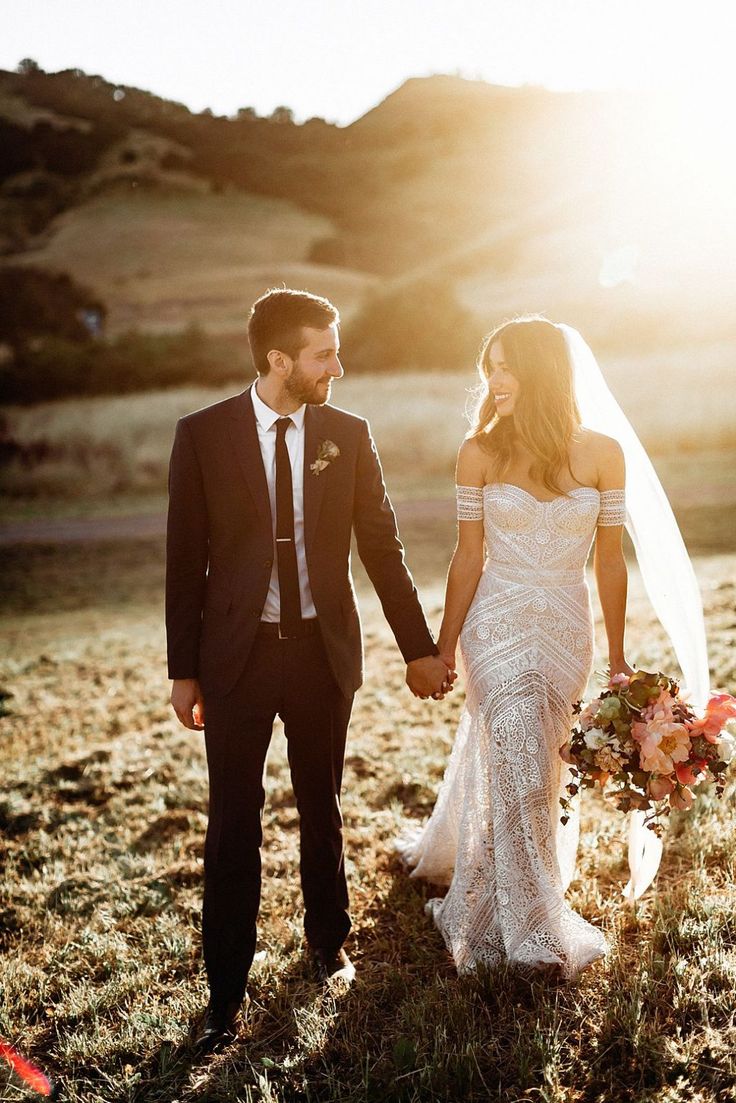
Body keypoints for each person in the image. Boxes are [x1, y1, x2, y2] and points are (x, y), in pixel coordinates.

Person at [166, 288, 453, 1052]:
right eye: (324, 354)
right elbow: (183, 558)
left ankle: (328, 947)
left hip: (323, 652)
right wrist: (183, 670)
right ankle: (224, 991)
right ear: (278, 360)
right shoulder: (201, 436)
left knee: (321, 805)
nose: (340, 366)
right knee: (233, 823)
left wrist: (418, 647)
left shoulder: (348, 434)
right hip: (236, 656)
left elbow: (382, 547)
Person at [398, 315, 633, 978]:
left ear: (544, 371)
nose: (495, 381)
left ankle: (515, 888)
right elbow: (468, 555)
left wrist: (617, 657)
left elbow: (610, 562)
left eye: (507, 366)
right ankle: (528, 929)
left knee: (541, 766)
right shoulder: (478, 453)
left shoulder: (602, 452)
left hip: (564, 622)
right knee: (516, 755)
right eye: (489, 368)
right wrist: (445, 646)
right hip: (494, 622)